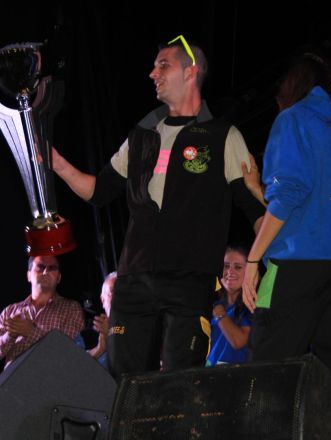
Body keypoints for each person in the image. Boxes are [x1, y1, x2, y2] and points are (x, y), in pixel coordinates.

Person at [51, 35, 264, 376]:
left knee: (178, 381)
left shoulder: (223, 135)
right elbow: (99, 191)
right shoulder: (142, 134)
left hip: (189, 280)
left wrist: (256, 261)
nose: (153, 73)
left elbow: (256, 212)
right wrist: (56, 163)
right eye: (153, 66)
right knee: (125, 379)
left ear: (191, 72)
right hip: (134, 280)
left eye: (163, 65)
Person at [242, 53, 331, 367]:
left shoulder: (294, 118)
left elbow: (289, 194)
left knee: (269, 367)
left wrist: (253, 259)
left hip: (300, 261)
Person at [0, 255, 84, 368]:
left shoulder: (71, 308)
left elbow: (69, 354)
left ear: (58, 278)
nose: (45, 271)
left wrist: (31, 332)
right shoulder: (10, 311)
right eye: (40, 267)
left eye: (52, 268)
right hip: (14, 378)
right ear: (28, 275)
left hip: (49, 376)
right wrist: (10, 335)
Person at [206, 245, 252, 366]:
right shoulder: (214, 303)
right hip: (208, 370)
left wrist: (220, 313)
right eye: (226, 266)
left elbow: (239, 341)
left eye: (238, 267)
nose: (230, 272)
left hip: (234, 374)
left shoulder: (251, 306)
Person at [77, 271, 116, 368]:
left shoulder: (134, 326)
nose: (119, 297)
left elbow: (121, 330)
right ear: (103, 299)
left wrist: (110, 331)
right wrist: (99, 349)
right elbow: (73, 367)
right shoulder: (86, 334)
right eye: (113, 292)